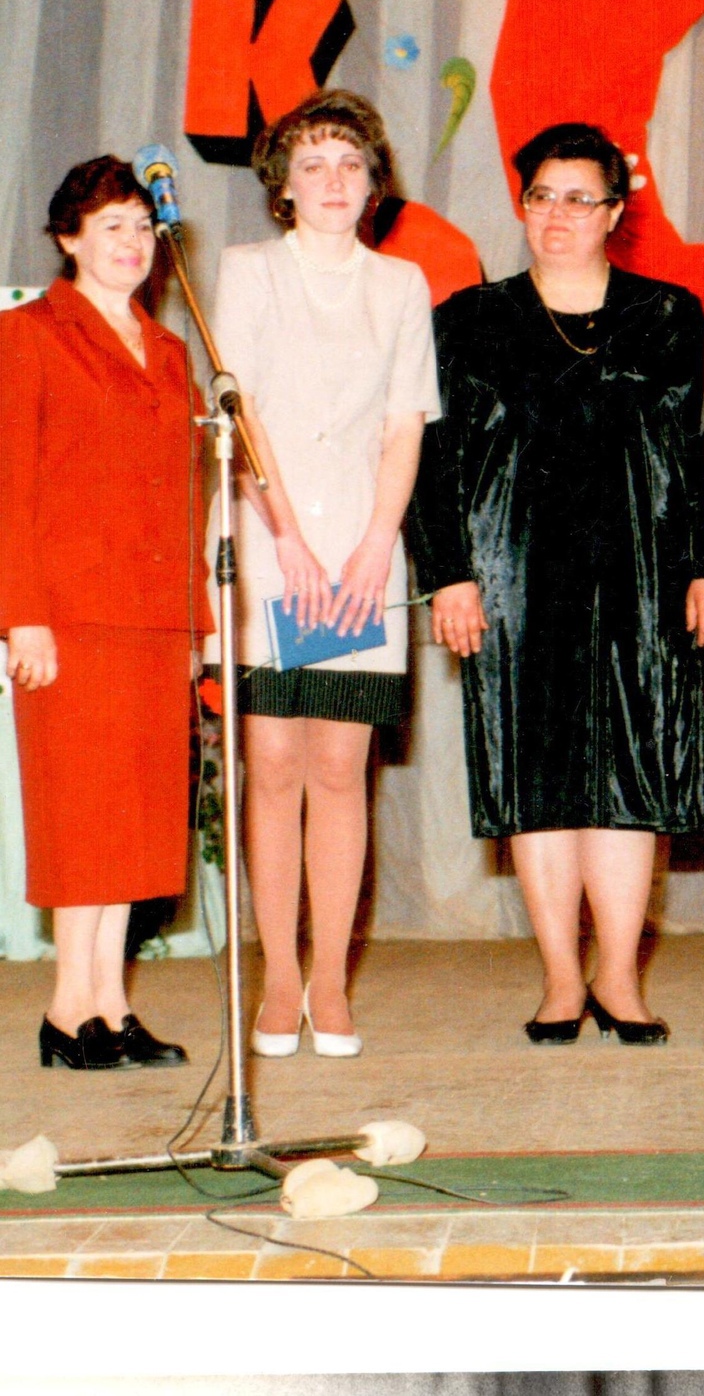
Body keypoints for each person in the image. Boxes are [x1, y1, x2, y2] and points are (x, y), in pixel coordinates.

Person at [409, 122, 704, 1046]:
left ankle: (618, 977)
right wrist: (448, 576)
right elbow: (432, 461)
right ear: (521, 204)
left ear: (616, 212)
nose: (557, 215)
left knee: (631, 771)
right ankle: (557, 977)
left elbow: (701, 457)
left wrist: (703, 570)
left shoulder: (670, 316)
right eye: (541, 196)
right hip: (512, 575)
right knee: (534, 775)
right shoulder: (468, 319)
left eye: (580, 199)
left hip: (642, 574)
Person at [214, 91, 440, 1061]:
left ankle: (332, 983)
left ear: (374, 183)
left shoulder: (401, 284)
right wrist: (287, 535)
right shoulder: (247, 271)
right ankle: (277, 980)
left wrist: (376, 541)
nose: (333, 180)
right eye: (313, 164)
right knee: (272, 765)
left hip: (359, 552)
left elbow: (403, 423)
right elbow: (242, 414)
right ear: (284, 186)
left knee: (341, 769)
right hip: (271, 544)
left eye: (350, 163)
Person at [0, 158, 203, 1069]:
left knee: (138, 820)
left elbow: (187, 495)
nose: (132, 242)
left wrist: (194, 626)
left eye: (142, 226)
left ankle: (112, 1006)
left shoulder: (170, 350)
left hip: (153, 615)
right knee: (82, 816)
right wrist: (22, 616)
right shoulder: (27, 335)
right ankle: (66, 1007)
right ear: (68, 238)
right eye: (111, 225)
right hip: (70, 616)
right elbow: (10, 486)